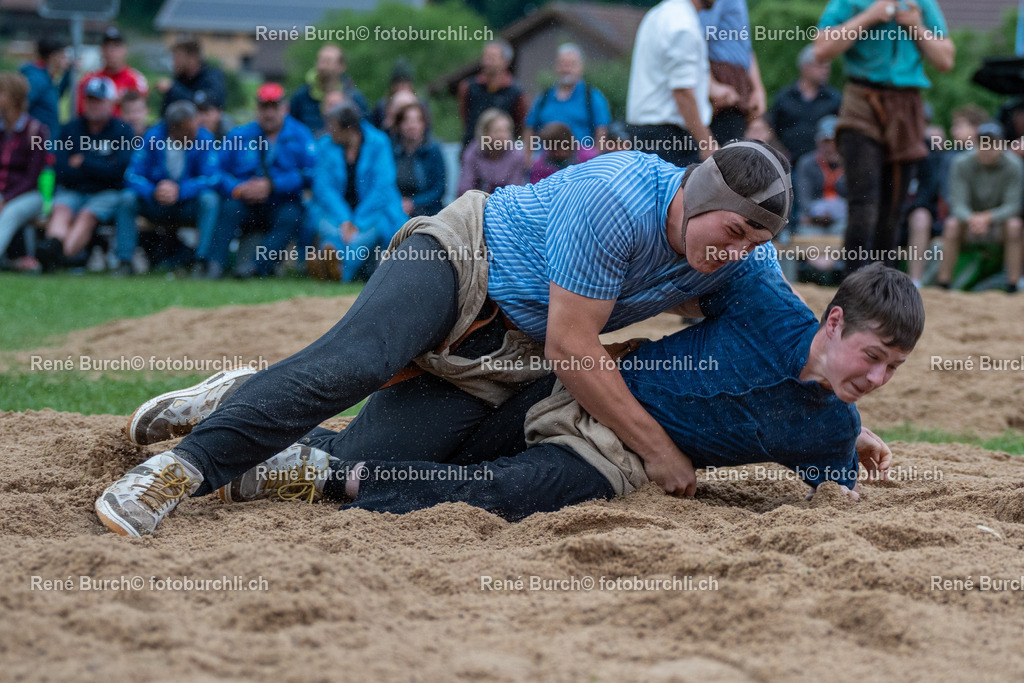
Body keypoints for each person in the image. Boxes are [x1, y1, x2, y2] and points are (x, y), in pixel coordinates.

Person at [92, 140, 795, 537]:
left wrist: (838, 442)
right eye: (733, 232)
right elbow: (573, 348)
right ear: (697, 198)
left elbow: (790, 336)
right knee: (354, 364)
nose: (738, 252)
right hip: (464, 259)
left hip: (505, 351)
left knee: (372, 464)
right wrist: (659, 450)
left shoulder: (740, 256)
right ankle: (171, 474)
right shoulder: (619, 196)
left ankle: (237, 396)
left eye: (755, 243)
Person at [97, 262, 918, 530]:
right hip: (578, 379)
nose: (877, 377)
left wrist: (853, 433)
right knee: (420, 444)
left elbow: (835, 507)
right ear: (833, 320)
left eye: (893, 369)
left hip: (611, 453)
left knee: (499, 495)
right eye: (872, 356)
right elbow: (720, 246)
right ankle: (246, 401)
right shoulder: (767, 299)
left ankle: (288, 471)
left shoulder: (831, 428)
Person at [815, 0, 954, 275]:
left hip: (906, 108)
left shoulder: (921, 4)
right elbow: (822, 50)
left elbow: (945, 60)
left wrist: (917, 27)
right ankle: (854, 282)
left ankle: (882, 285)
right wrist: (869, 16)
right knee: (863, 204)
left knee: (893, 210)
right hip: (861, 102)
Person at [204, 83, 315, 279]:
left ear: (284, 108)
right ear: (257, 109)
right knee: (228, 209)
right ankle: (214, 265)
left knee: (292, 216)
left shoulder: (300, 135)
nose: (269, 113)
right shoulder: (239, 135)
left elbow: (311, 173)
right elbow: (215, 171)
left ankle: (255, 267)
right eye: (265, 107)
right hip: (244, 199)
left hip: (281, 201)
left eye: (274, 107)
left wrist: (273, 185)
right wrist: (237, 188)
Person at [36, 77, 133, 271]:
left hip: (106, 192)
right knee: (62, 209)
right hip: (73, 189)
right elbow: (61, 169)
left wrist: (84, 162)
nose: (93, 105)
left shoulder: (122, 131)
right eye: (89, 100)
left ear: (111, 103)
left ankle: (59, 255)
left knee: (87, 215)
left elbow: (118, 172)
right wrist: (99, 167)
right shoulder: (70, 129)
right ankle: (52, 249)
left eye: (99, 100)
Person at [115, 101, 220, 276]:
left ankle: (201, 262)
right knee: (127, 198)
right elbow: (131, 175)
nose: (194, 133)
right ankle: (125, 262)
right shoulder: (153, 137)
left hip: (187, 204)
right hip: (155, 203)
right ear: (173, 128)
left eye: (195, 127)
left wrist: (180, 190)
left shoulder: (204, 138)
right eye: (189, 130)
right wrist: (153, 191)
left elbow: (213, 178)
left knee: (209, 200)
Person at [307, 103, 408, 282]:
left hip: (373, 212)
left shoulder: (379, 142)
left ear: (349, 129)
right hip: (335, 213)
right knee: (331, 230)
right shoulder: (325, 145)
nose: (329, 131)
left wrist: (357, 222)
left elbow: (382, 188)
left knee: (361, 237)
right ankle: (332, 262)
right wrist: (345, 219)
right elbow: (323, 188)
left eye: (333, 126)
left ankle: (336, 270)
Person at [935, 122, 1023, 293]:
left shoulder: (1014, 165)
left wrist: (988, 217)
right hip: (968, 224)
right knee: (951, 225)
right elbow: (957, 203)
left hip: (998, 225)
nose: (987, 149)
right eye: (983, 143)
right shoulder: (960, 163)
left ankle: (1013, 285)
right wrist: (972, 219)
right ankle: (943, 284)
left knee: (1015, 225)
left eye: (993, 144)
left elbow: (1013, 205)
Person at [626, 0, 715, 166]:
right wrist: (707, 144)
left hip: (648, 133)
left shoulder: (659, 13)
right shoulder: (683, 25)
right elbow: (682, 92)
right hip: (670, 139)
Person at [523, 44, 611, 163]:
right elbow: (530, 128)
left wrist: (596, 162)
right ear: (556, 67)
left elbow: (601, 131)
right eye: (562, 64)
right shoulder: (543, 97)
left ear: (581, 68)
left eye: (571, 64)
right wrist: (528, 158)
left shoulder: (592, 97)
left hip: (580, 163)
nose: (566, 69)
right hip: (546, 163)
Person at [699, 0, 767, 145]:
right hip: (720, 82)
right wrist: (711, 85)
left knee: (733, 149)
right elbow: (697, 37)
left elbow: (745, 48)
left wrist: (757, 89)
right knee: (719, 153)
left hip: (737, 83)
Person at [0, 72, 48, 268]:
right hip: (3, 194)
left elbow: (31, 178)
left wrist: (5, 199)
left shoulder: (36, 131)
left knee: (10, 212)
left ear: (14, 98)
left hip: (28, 195)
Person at [768, 45, 842, 166]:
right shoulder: (784, 97)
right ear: (804, 67)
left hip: (824, 167)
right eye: (820, 66)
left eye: (827, 67)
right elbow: (770, 128)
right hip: (789, 164)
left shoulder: (834, 98)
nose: (825, 71)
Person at [457, 40, 530, 147]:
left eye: (492, 58)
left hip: (503, 151)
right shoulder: (468, 87)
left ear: (505, 62)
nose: (487, 62)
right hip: (472, 149)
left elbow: (521, 125)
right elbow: (465, 118)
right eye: (485, 57)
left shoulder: (516, 92)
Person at [906, 121, 951, 287]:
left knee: (921, 217)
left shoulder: (934, 163)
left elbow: (927, 196)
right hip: (898, 218)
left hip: (929, 221)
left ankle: (915, 281)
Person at [289, 45, 369, 133]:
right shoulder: (302, 95)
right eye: (320, 61)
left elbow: (364, 130)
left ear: (341, 66)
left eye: (328, 62)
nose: (322, 66)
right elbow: (291, 126)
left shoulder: (354, 97)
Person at [75, 27, 148, 117]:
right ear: (101, 50)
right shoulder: (89, 79)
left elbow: (139, 114)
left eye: (116, 46)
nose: (111, 51)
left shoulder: (135, 79)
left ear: (125, 49)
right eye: (107, 46)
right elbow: (80, 110)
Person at [392, 102, 445, 217]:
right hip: (398, 211)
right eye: (407, 121)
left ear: (424, 124)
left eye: (417, 121)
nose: (412, 126)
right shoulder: (393, 152)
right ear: (399, 125)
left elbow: (439, 189)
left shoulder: (433, 150)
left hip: (429, 213)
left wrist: (414, 203)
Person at [457, 108, 526, 195]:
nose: (503, 136)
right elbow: (465, 187)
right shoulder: (473, 152)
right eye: (498, 131)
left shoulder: (516, 154)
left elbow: (515, 190)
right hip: (477, 201)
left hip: (506, 201)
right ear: (485, 133)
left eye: (506, 131)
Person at [20, 37, 71, 142]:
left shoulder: (46, 77)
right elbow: (22, 106)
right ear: (53, 57)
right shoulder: (36, 79)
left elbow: (54, 97)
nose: (67, 60)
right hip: (39, 143)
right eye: (63, 56)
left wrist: (68, 74)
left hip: (45, 140)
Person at [158, 39, 227, 116]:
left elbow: (206, 103)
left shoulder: (211, 76)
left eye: (178, 57)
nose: (174, 63)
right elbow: (165, 114)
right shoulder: (179, 79)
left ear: (192, 58)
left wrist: (173, 89)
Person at [370, 59, 432, 135]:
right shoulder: (382, 106)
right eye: (398, 83)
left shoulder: (420, 104)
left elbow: (427, 132)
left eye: (405, 83)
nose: (402, 87)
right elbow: (377, 132)